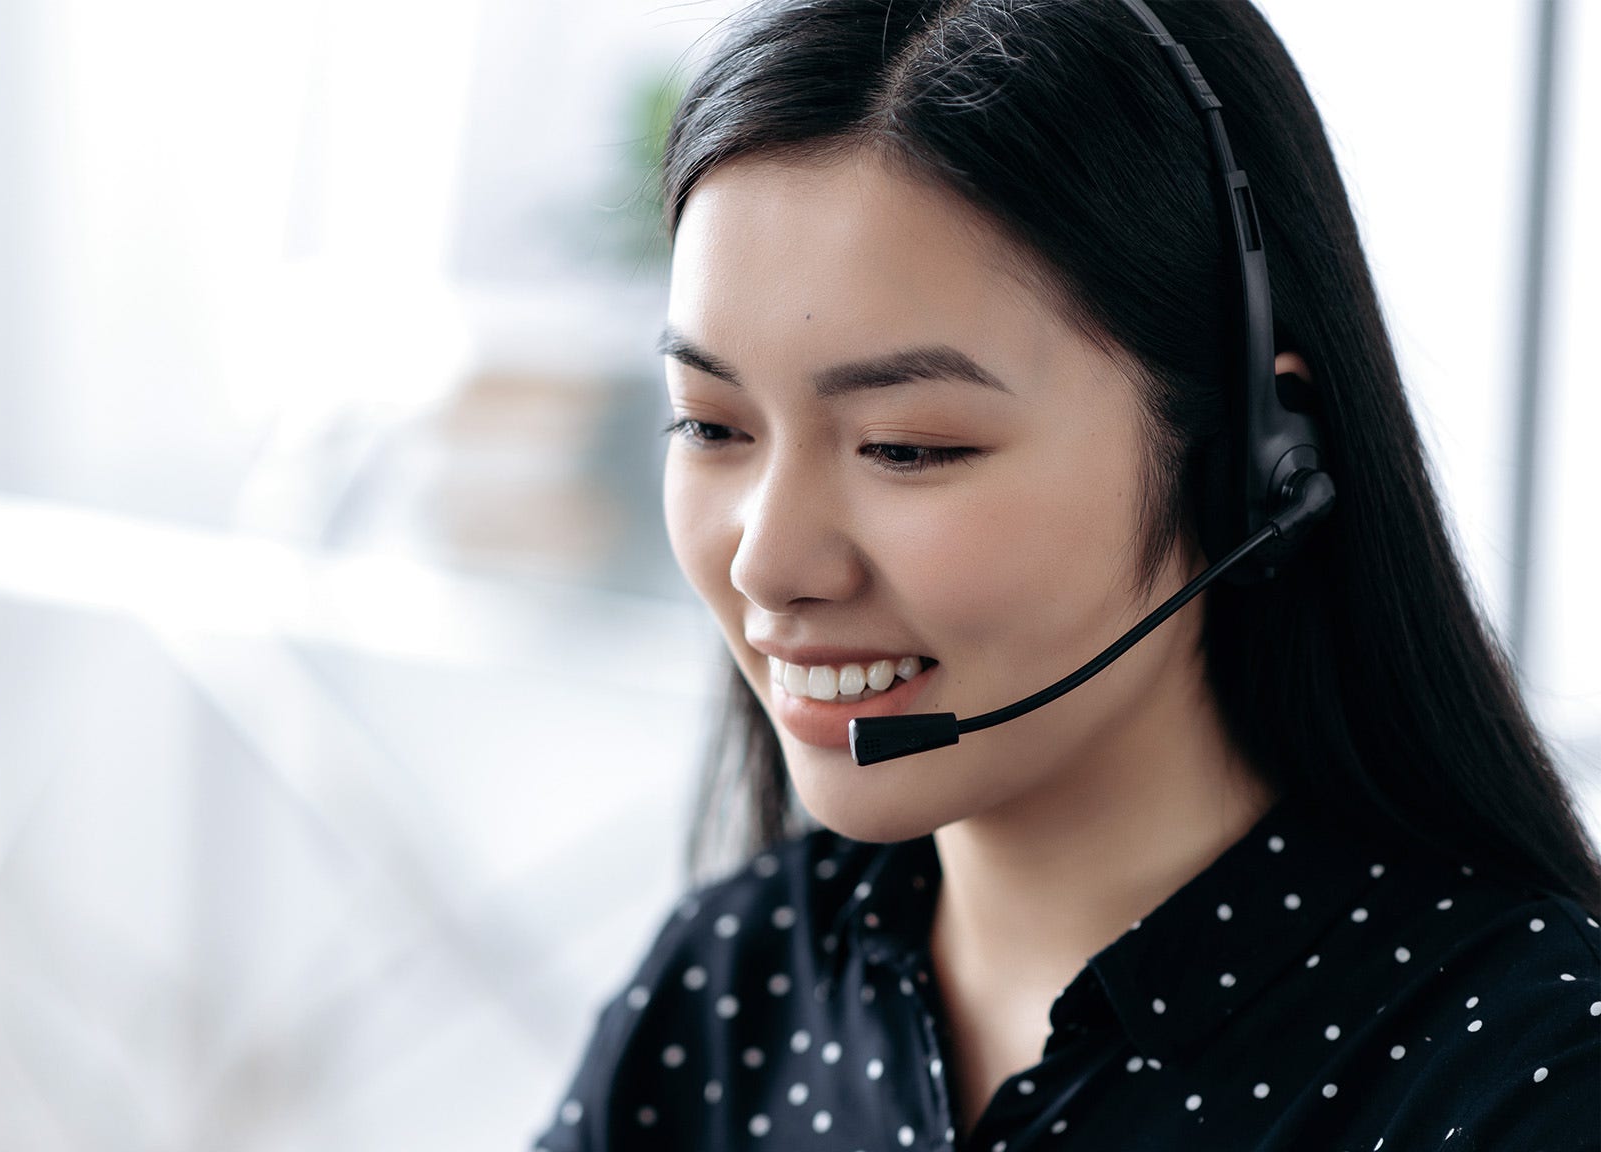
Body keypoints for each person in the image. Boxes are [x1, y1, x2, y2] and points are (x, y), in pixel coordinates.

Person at [529, 1, 1601, 1149]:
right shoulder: (724, 993)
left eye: (906, 447)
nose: (767, 561)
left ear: (1253, 461)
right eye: (707, 426)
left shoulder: (1522, 1076)